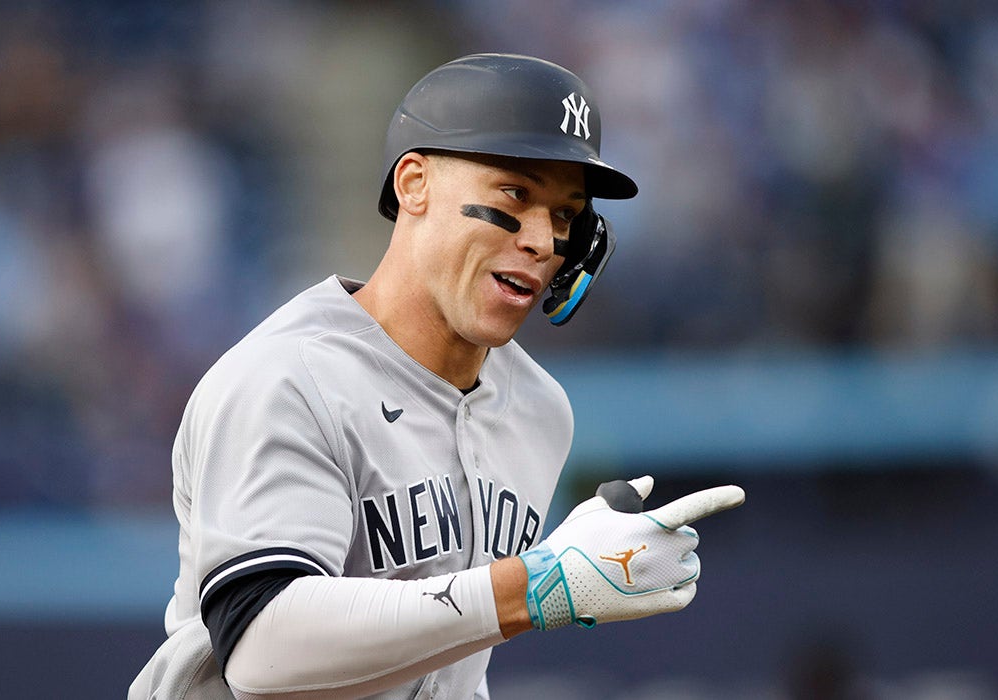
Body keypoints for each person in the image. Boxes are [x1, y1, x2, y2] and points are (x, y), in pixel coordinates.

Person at [129, 53, 744, 700]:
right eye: (516, 193)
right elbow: (262, 651)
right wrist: (532, 588)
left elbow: (447, 664)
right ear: (414, 184)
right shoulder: (288, 379)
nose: (541, 239)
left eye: (565, 215)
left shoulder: (538, 410)